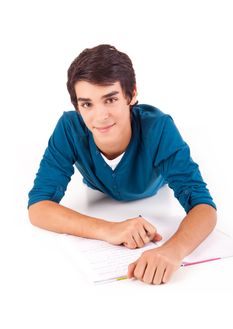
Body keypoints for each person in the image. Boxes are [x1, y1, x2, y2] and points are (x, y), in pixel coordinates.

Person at [28, 44, 217, 285]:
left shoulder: (159, 127)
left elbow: (204, 207)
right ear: (77, 106)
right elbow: (38, 207)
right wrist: (108, 229)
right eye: (87, 104)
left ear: (132, 94)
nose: (100, 116)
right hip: (98, 194)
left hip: (154, 190)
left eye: (111, 99)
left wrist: (171, 251)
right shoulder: (69, 127)